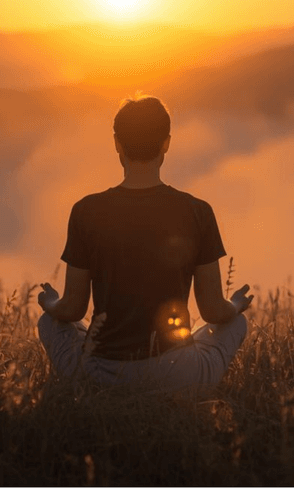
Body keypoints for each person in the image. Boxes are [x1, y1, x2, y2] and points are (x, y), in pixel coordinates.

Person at [36, 95, 253, 391]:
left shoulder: (86, 211)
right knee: (236, 322)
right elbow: (214, 311)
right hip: (179, 375)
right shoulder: (197, 211)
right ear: (166, 143)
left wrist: (50, 302)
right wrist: (236, 304)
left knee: (50, 323)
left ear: (117, 144)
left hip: (100, 376)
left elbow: (73, 310)